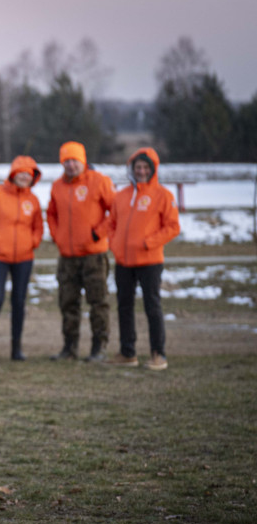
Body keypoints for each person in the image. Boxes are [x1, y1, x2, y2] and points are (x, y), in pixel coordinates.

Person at [106, 148, 180, 370]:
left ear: (153, 169)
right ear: (132, 169)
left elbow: (173, 227)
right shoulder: (122, 195)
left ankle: (159, 354)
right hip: (124, 262)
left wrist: (149, 242)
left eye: (146, 167)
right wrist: (115, 245)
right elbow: (111, 225)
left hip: (150, 261)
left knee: (152, 307)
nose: (141, 171)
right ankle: (128, 352)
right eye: (138, 167)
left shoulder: (163, 195)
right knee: (124, 306)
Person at [46, 142, 115, 363]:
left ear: (83, 161)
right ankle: (69, 347)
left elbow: (115, 211)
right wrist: (58, 237)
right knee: (68, 302)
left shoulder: (99, 181)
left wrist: (98, 233)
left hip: (93, 255)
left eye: (74, 160)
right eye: (66, 161)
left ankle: (99, 347)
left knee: (98, 302)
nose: (71, 165)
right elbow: (52, 214)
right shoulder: (57, 186)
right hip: (67, 257)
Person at [0, 156, 44, 362]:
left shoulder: (33, 200)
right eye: (21, 173)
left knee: (19, 301)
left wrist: (33, 241)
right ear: (13, 174)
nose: (24, 177)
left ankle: (16, 348)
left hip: (24, 257)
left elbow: (38, 226)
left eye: (29, 175)